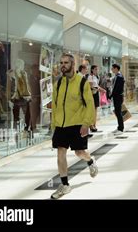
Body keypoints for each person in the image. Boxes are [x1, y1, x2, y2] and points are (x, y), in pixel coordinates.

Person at [50, 53, 97, 199]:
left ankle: (90, 161)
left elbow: (90, 104)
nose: (62, 65)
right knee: (60, 153)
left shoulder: (82, 82)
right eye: (61, 62)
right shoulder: (58, 84)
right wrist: (54, 125)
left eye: (66, 63)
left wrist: (86, 123)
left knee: (79, 153)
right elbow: (55, 105)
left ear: (72, 65)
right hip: (61, 125)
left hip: (77, 124)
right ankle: (65, 185)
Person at [87, 65, 105, 132]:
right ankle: (91, 125)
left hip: (96, 94)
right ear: (92, 70)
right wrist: (99, 90)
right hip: (92, 94)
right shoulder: (90, 77)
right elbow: (91, 87)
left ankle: (94, 125)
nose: (97, 71)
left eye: (97, 69)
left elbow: (97, 86)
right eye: (95, 69)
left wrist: (102, 89)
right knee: (92, 110)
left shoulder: (97, 77)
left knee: (95, 110)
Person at [109, 64, 125, 134]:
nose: (111, 70)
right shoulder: (116, 77)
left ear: (116, 68)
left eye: (112, 68)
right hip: (117, 97)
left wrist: (111, 95)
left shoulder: (119, 77)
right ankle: (119, 127)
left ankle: (121, 129)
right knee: (118, 112)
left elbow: (117, 89)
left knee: (118, 113)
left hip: (118, 97)